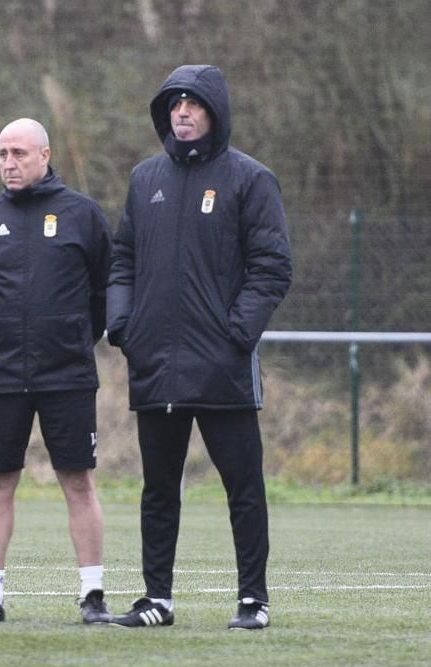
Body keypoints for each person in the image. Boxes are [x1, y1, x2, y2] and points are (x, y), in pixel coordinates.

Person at [106, 65, 293, 630]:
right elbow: (123, 261)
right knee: (159, 490)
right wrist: (123, 327)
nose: (181, 111)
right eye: (174, 103)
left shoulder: (250, 180)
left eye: (193, 103)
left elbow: (272, 267)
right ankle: (157, 599)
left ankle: (253, 601)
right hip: (155, 366)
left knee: (243, 487)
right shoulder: (145, 180)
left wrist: (235, 335)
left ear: (215, 112)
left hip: (222, 369)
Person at [0, 118, 113, 624]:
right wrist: (8, 334)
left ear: (46, 155)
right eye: (2, 153)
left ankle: (92, 594)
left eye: (19, 153)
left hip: (66, 373)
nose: (9, 163)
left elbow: (104, 292)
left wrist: (67, 337)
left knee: (78, 481)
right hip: (1, 374)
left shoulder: (82, 215)